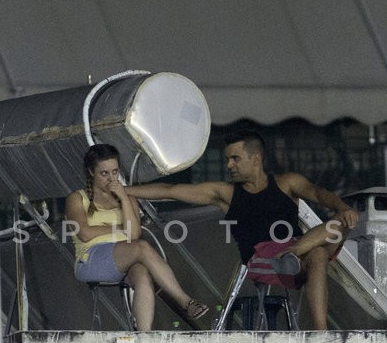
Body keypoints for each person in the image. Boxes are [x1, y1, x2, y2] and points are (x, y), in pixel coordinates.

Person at [126, 130, 359, 329]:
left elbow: (320, 194)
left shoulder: (288, 182)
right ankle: (320, 327)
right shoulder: (226, 193)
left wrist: (343, 208)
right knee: (318, 253)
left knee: (342, 220)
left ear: (255, 159)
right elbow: (170, 190)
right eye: (228, 159)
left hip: (296, 253)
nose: (229, 165)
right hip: (263, 259)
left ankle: (296, 259)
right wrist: (124, 191)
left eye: (235, 159)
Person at [66, 144, 209, 329]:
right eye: (104, 173)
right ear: (91, 172)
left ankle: (144, 335)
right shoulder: (77, 198)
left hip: (123, 257)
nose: (111, 179)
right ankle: (186, 302)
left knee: (142, 273)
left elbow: (133, 233)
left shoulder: (127, 197)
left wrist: (124, 197)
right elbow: (85, 233)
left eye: (115, 172)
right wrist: (120, 228)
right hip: (90, 259)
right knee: (141, 247)